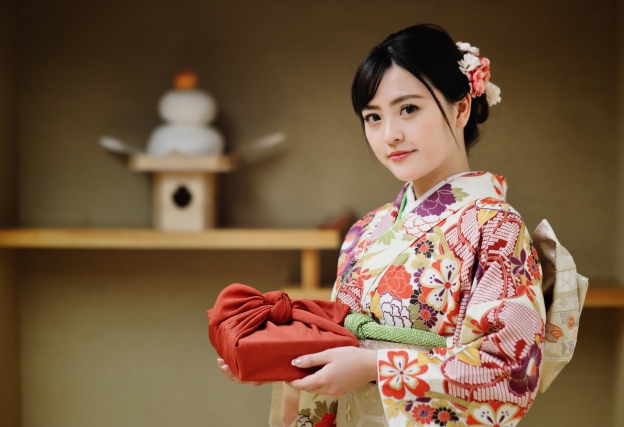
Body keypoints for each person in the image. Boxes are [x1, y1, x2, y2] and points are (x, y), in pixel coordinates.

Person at [218, 23, 546, 427]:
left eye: (408, 108)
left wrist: (376, 366)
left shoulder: (496, 225)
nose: (389, 135)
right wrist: (280, 359)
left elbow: (510, 371)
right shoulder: (366, 229)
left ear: (460, 108)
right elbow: (341, 342)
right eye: (373, 117)